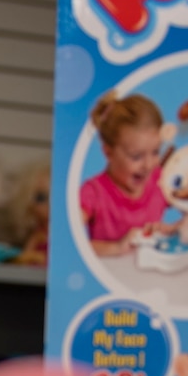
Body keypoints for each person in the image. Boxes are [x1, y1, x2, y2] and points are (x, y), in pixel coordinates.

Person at [79, 90, 173, 256]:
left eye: (156, 152)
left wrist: (172, 229)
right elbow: (68, 243)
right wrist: (116, 248)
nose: (148, 165)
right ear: (108, 152)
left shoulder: (161, 180)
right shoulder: (93, 193)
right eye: (136, 156)